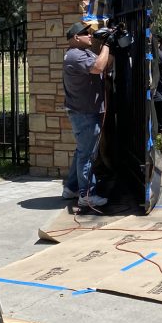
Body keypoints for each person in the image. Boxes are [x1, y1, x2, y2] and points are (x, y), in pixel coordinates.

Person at [62, 21, 111, 210]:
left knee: (81, 151)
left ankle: (72, 188)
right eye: (86, 34)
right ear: (76, 37)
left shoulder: (83, 53)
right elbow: (98, 67)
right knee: (87, 154)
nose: (90, 36)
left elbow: (106, 63)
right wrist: (107, 44)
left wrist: (111, 44)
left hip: (84, 111)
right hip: (85, 113)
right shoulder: (75, 55)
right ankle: (86, 195)